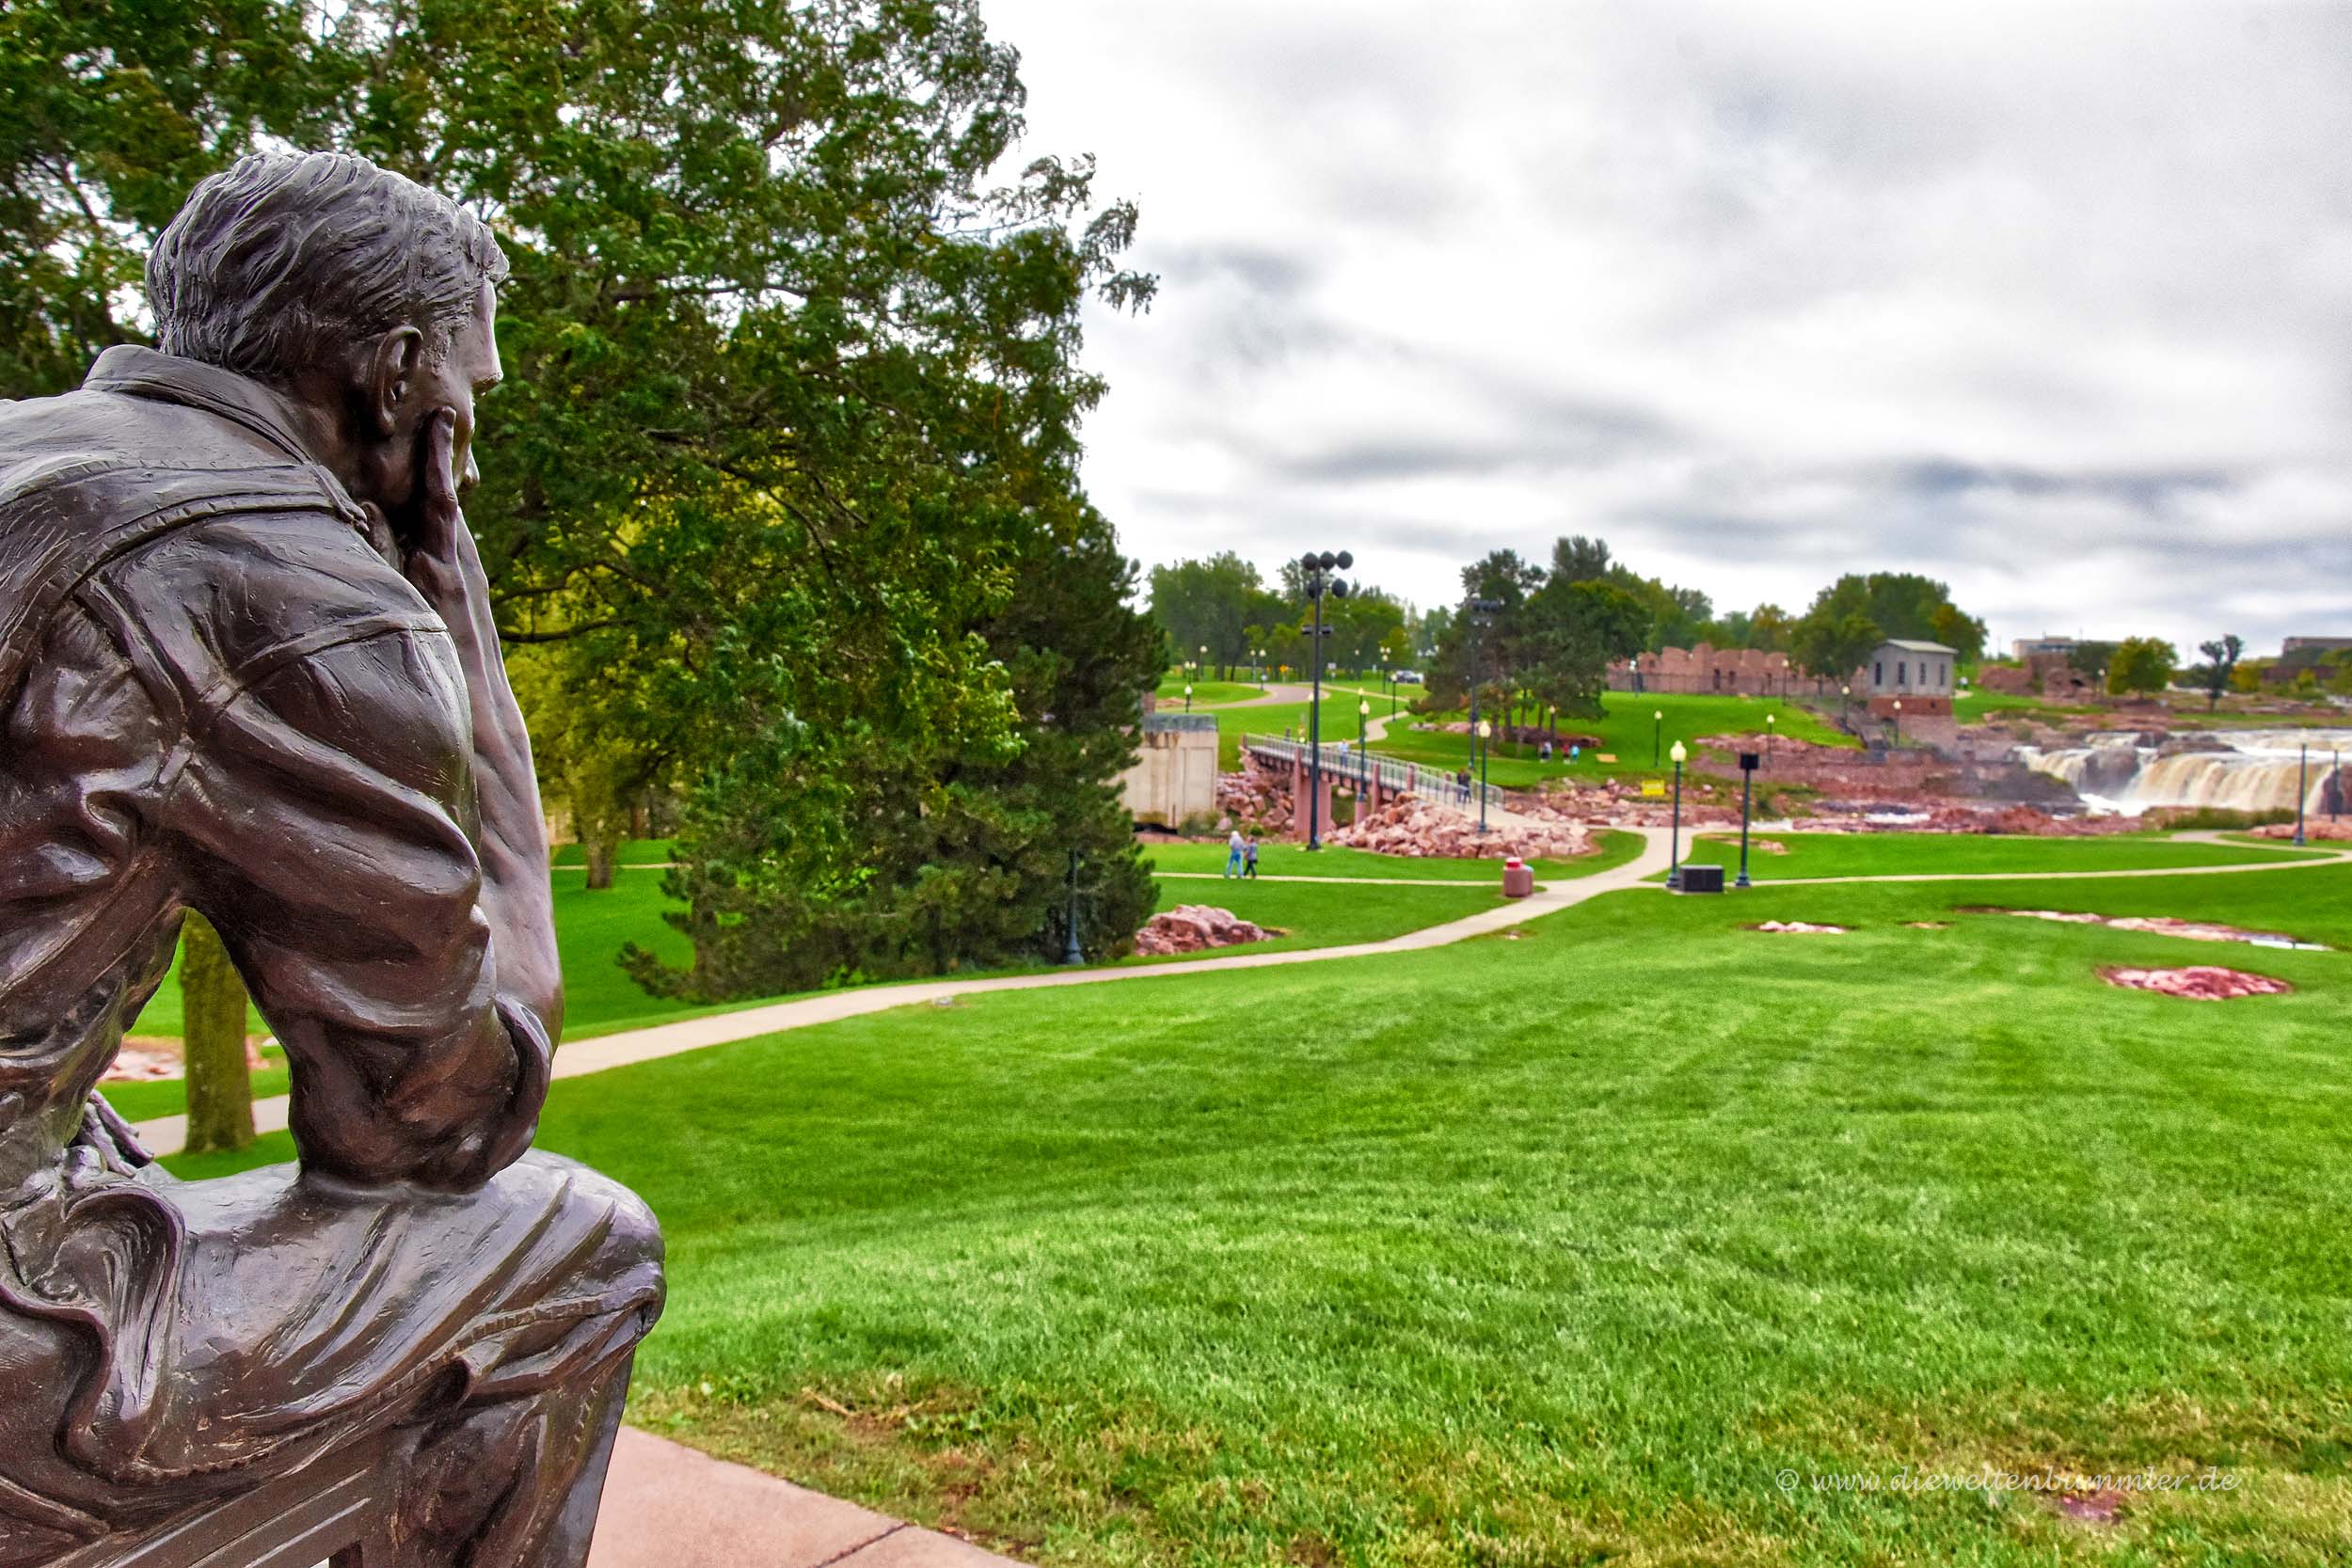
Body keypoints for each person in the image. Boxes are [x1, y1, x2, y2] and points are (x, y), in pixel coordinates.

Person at [0, 152, 661, 1567]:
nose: (467, 430)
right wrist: (463, 644)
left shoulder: (25, 447)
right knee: (579, 1245)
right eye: (468, 391)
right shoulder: (289, 579)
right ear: (397, 374)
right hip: (19, 1326)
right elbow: (436, 1121)